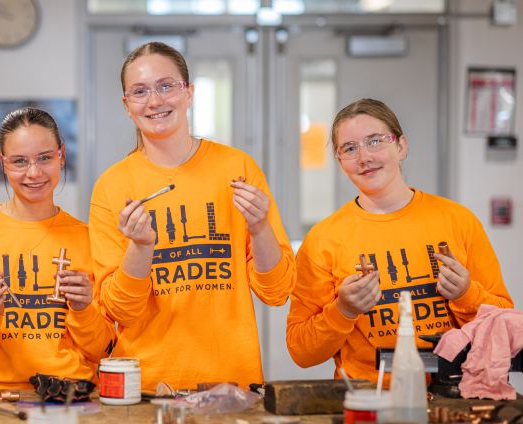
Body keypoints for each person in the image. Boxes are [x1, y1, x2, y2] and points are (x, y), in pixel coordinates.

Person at [89, 42, 295, 391]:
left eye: (166, 86)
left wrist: (260, 229)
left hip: (233, 382)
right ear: (127, 106)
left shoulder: (237, 168)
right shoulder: (113, 186)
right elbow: (119, 311)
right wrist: (140, 247)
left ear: (189, 93)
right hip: (146, 386)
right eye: (139, 91)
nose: (154, 101)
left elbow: (276, 292)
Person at [286, 98, 513, 383]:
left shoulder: (458, 221)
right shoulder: (324, 240)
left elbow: (506, 329)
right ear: (341, 162)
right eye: (349, 148)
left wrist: (466, 294)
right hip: (368, 403)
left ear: (401, 146)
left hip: (457, 397)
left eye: (375, 141)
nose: (364, 157)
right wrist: (343, 310)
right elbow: (301, 352)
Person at [0, 107, 115, 390]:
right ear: (2, 162)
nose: (33, 173)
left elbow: (104, 349)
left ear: (61, 155)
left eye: (45, 158)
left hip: (71, 394)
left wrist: (83, 310)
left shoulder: (87, 237)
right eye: (19, 161)